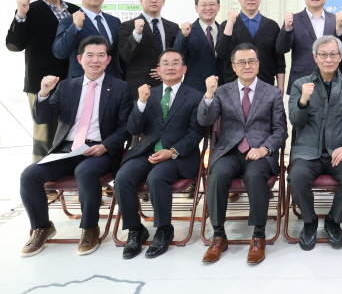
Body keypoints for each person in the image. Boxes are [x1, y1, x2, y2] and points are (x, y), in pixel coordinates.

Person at [20, 36, 132, 257]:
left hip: (99, 151)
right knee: (29, 175)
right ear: (80, 59)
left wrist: (105, 146)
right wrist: (43, 93)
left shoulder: (120, 87)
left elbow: (125, 127)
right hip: (67, 150)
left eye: (101, 55)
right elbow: (42, 118)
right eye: (90, 55)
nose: (95, 60)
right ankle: (42, 227)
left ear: (108, 60)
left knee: (85, 171)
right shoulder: (66, 86)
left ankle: (90, 228)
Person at [198, 43, 288, 264]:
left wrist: (264, 149)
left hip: (259, 151)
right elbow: (205, 120)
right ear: (233, 66)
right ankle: (218, 236)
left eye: (251, 61)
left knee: (255, 176)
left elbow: (280, 130)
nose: (247, 66)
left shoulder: (272, 92)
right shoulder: (222, 91)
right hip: (229, 150)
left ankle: (258, 236)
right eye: (241, 62)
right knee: (216, 176)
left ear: (258, 64)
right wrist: (208, 94)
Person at [114, 49, 204, 259]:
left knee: (157, 178)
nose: (170, 67)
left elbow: (195, 134)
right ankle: (135, 229)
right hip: (146, 152)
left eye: (175, 63)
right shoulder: (148, 94)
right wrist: (140, 103)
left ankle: (164, 230)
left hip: (178, 156)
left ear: (184, 68)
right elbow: (134, 129)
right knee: (123, 177)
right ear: (158, 69)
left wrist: (172, 152)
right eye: (165, 63)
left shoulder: (196, 96)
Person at [288, 35, 342, 251]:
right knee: (296, 177)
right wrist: (303, 101)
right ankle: (310, 221)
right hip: (308, 151)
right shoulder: (300, 84)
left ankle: (333, 220)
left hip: (339, 151)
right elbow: (295, 121)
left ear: (340, 57)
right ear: (315, 57)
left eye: (333, 54)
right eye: (323, 55)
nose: (328, 59)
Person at [6, 0, 79, 161]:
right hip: (42, 82)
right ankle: (41, 177)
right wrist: (21, 15)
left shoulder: (75, 11)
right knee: (44, 134)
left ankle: (68, 174)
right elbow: (14, 45)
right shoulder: (29, 11)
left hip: (73, 81)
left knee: (73, 132)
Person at [216, 0, 285, 93]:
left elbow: (279, 60)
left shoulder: (272, 26)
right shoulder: (226, 25)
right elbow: (222, 53)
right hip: (233, 87)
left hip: (266, 85)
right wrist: (230, 23)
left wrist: (281, 87)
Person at [276, 0, 342, 92]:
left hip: (331, 80)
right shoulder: (294, 19)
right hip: (301, 80)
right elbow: (281, 49)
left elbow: (341, 50)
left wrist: (339, 30)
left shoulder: (335, 20)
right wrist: (287, 28)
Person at [52, 0, 122, 79]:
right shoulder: (69, 21)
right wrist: (75, 27)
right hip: (82, 82)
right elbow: (60, 53)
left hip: (113, 81)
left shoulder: (114, 21)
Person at [119, 0, 179, 100]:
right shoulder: (127, 26)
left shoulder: (173, 27)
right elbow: (125, 56)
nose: (154, 0)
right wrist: (137, 33)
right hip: (139, 89)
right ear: (141, 0)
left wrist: (165, 71)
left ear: (163, 1)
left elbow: (178, 56)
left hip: (168, 87)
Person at [173, 0, 223, 93]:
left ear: (218, 7)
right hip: (195, 89)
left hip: (222, 87)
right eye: (203, 5)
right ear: (196, 8)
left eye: (212, 4)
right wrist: (184, 36)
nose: (208, 8)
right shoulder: (187, 31)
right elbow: (177, 56)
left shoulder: (225, 31)